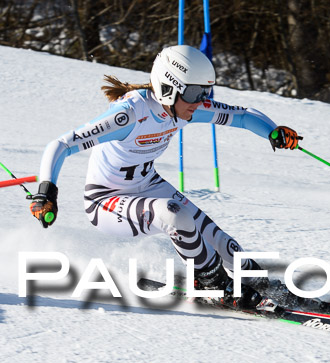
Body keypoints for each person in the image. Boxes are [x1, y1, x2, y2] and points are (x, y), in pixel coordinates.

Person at [29, 44, 305, 312]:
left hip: (148, 185)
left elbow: (242, 116)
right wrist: (46, 192)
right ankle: (212, 284)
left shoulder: (184, 107)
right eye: (196, 92)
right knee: (175, 215)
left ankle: (262, 284)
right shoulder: (128, 115)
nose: (202, 100)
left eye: (206, 91)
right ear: (168, 87)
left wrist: (273, 131)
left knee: (223, 244)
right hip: (106, 201)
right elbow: (61, 144)